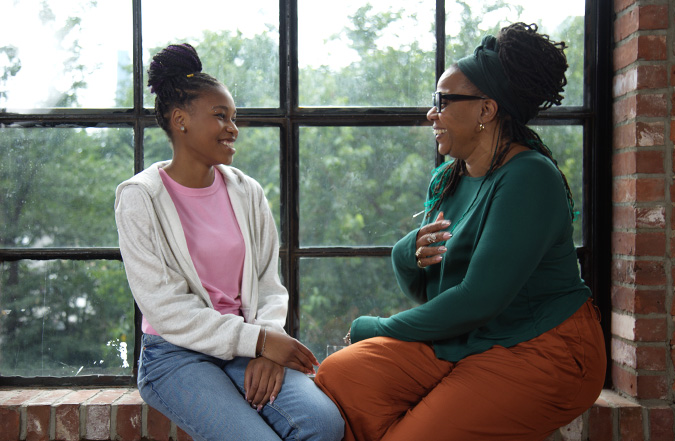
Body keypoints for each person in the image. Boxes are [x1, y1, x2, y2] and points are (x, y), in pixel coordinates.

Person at [314, 23, 606, 441]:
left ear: (486, 110)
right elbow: (433, 293)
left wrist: (375, 327)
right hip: (473, 336)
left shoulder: (528, 178)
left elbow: (477, 300)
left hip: (546, 348)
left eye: (443, 101)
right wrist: (406, 250)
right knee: (339, 376)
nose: (430, 113)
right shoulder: (450, 178)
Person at [114, 43, 343, 441]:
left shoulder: (247, 191)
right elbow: (166, 309)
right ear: (180, 120)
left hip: (248, 341)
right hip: (174, 354)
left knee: (323, 425)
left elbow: (269, 284)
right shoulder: (140, 197)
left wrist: (266, 343)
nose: (233, 128)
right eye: (221, 116)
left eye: (234, 117)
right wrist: (259, 342)